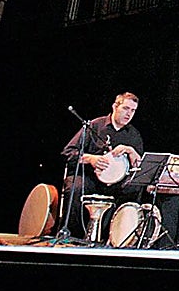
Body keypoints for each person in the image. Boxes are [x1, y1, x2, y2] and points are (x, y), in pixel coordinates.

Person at [60, 91, 145, 241]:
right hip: (89, 177)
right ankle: (71, 236)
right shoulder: (95, 125)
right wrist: (90, 159)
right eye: (126, 108)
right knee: (76, 187)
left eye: (133, 110)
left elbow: (140, 167)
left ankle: (116, 238)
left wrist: (131, 151)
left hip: (116, 183)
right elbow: (68, 153)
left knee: (134, 189)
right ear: (115, 106)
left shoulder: (133, 135)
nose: (129, 114)